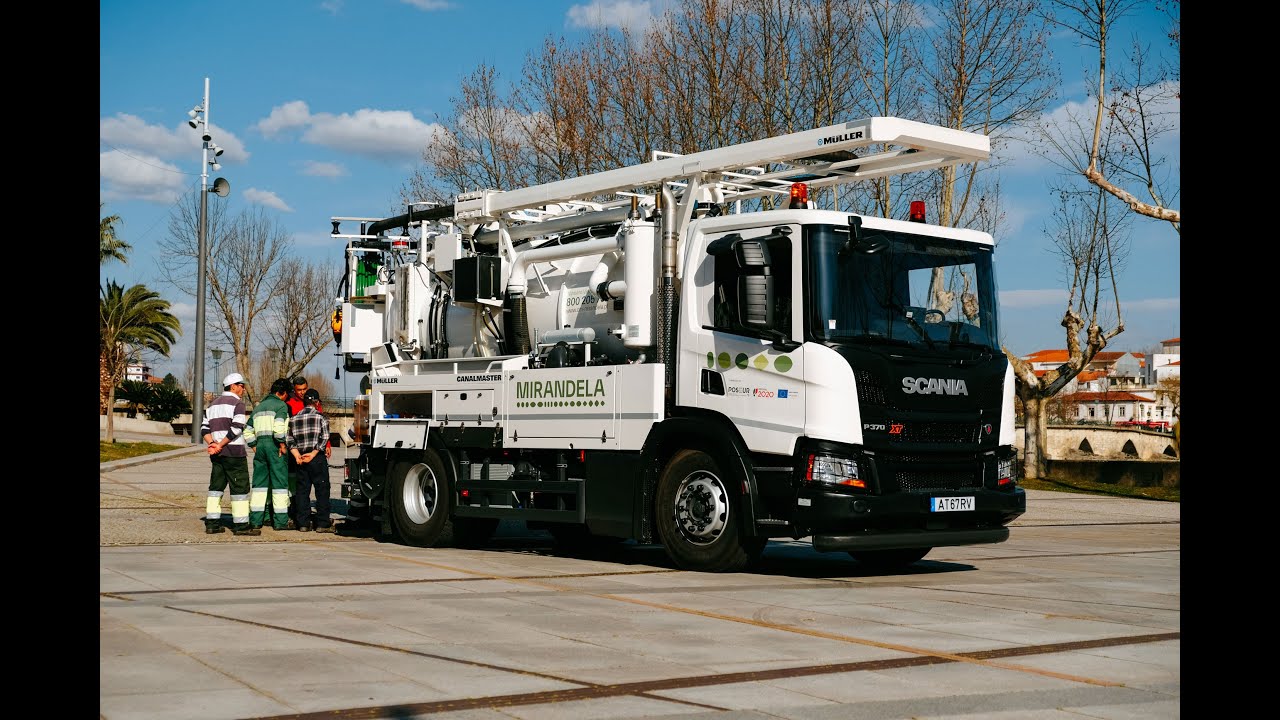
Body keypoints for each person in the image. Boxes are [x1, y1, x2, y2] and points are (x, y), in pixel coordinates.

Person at [201, 373, 259, 536]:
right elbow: (236, 428)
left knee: (216, 487)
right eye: (241, 385)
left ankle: (212, 524)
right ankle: (241, 526)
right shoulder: (237, 404)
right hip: (234, 453)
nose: (243, 388)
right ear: (233, 386)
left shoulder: (212, 405)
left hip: (217, 455)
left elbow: (204, 429)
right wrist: (219, 444)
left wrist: (213, 444)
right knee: (239, 488)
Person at [245, 378, 292, 531]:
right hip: (275, 447)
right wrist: (282, 444)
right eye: (287, 394)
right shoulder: (281, 406)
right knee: (279, 484)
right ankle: (280, 522)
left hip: (260, 447)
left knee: (259, 485)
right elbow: (279, 428)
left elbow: (247, 430)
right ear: (282, 393)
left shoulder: (258, 408)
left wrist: (254, 446)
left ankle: (256, 521)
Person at [287, 388, 334, 532]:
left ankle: (303, 523)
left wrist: (297, 456)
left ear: (304, 402)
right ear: (316, 402)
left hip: (301, 459)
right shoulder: (321, 417)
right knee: (322, 490)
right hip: (317, 459)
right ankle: (322, 523)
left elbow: (289, 440)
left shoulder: (294, 418)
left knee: (302, 491)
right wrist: (313, 454)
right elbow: (325, 437)